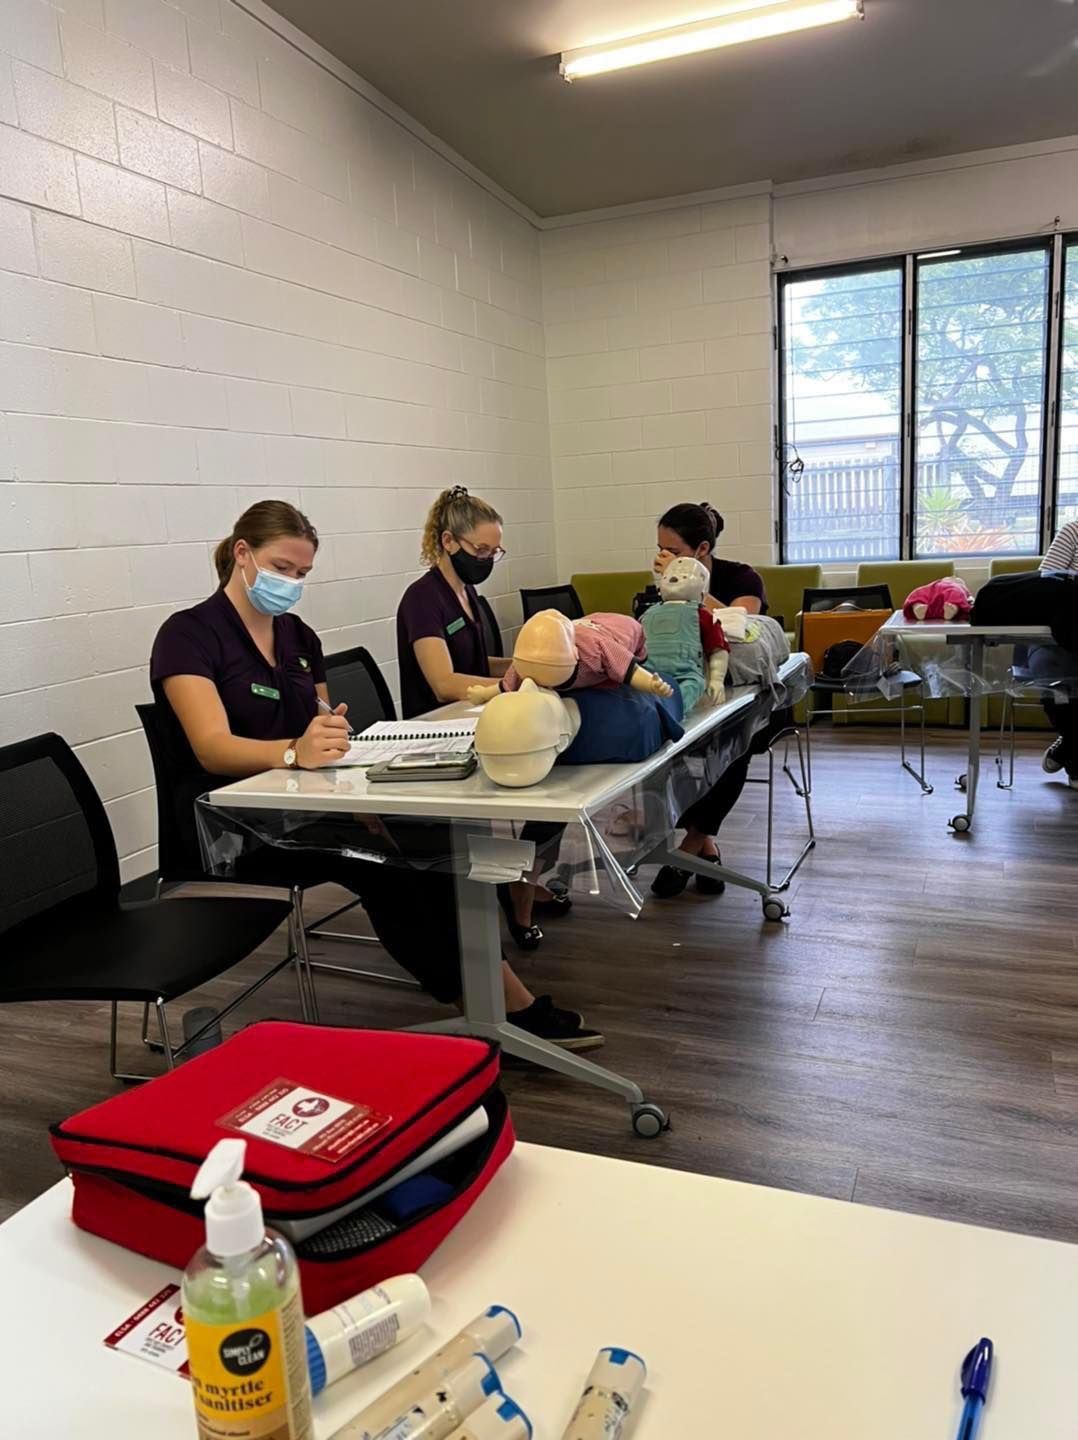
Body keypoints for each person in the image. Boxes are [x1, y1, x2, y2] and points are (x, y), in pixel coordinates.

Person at [151, 499, 600, 1050]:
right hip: (232, 825)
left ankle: (492, 996)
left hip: (303, 801)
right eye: (281, 568)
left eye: (302, 574)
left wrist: (332, 742)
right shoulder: (188, 635)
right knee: (384, 865)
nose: (290, 583)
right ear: (242, 553)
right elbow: (211, 748)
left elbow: (319, 722)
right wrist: (293, 752)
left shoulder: (298, 637)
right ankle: (501, 1012)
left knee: (433, 838)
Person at [397, 487, 573, 950]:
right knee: (545, 786)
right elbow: (443, 682)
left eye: (495, 551)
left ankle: (521, 878)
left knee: (558, 778)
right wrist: (509, 684)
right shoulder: (422, 600)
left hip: (476, 721)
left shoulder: (469, 596)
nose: (487, 560)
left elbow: (482, 664)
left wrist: (532, 665)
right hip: (440, 737)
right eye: (480, 551)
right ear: (448, 541)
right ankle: (516, 891)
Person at [647, 501, 773, 898]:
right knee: (673, 746)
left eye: (674, 551)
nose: (664, 558)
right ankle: (706, 849)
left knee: (732, 749)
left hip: (745, 692)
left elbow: (742, 624)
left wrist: (691, 590)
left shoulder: (742, 577)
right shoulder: (663, 584)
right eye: (660, 549)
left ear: (702, 548)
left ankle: (687, 849)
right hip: (689, 690)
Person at [1038, 519, 1078, 788]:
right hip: (1060, 634)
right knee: (1053, 673)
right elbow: (1045, 583)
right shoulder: (1074, 531)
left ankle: (1068, 748)